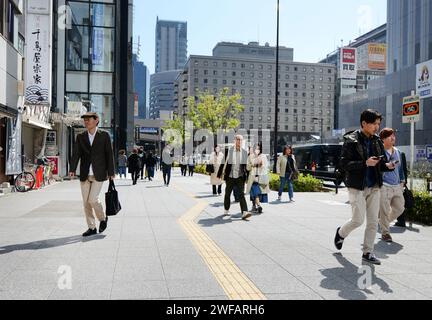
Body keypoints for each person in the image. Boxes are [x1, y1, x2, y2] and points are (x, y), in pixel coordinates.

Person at [334, 109, 395, 265]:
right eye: (374, 124)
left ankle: (368, 252)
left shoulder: (377, 141)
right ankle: (341, 233)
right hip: (357, 186)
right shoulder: (351, 140)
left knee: (373, 221)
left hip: (374, 185)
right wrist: (364, 163)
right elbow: (343, 164)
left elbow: (379, 164)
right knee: (358, 220)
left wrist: (387, 166)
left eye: (378, 124)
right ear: (364, 123)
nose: (377, 127)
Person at [69, 112, 114, 237]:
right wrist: (72, 168)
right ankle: (92, 227)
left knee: (92, 199)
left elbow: (109, 154)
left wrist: (111, 172)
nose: (86, 122)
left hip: (99, 173)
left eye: (89, 119)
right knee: (86, 203)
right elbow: (76, 153)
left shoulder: (104, 135)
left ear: (96, 120)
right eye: (85, 120)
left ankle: (103, 218)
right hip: (85, 173)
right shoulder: (81, 136)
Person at [378, 128, 406, 242]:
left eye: (393, 135)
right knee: (384, 210)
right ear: (383, 139)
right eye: (390, 136)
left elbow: (400, 169)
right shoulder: (379, 152)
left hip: (397, 185)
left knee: (400, 208)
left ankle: (383, 222)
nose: (393, 137)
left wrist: (402, 181)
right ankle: (385, 233)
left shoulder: (398, 152)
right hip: (384, 185)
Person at [217, 135, 251, 220]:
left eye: (240, 140)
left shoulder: (244, 152)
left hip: (240, 176)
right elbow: (223, 162)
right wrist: (219, 174)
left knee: (241, 194)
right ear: (234, 141)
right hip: (230, 176)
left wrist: (247, 176)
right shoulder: (229, 151)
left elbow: (246, 166)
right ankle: (226, 209)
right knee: (227, 193)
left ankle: (244, 212)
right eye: (237, 140)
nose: (239, 141)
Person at [246, 143, 269, 214]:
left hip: (261, 177)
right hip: (252, 178)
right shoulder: (250, 156)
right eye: (255, 148)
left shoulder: (263, 156)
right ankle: (258, 206)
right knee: (255, 192)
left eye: (258, 149)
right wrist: (254, 164)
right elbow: (247, 168)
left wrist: (261, 165)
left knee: (256, 193)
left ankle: (254, 206)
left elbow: (266, 167)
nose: (257, 150)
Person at [395, 151, 409, 228]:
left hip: (398, 182)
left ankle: (401, 221)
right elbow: (405, 169)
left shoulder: (400, 154)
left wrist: (404, 182)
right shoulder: (401, 153)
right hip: (398, 182)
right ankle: (401, 221)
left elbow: (404, 168)